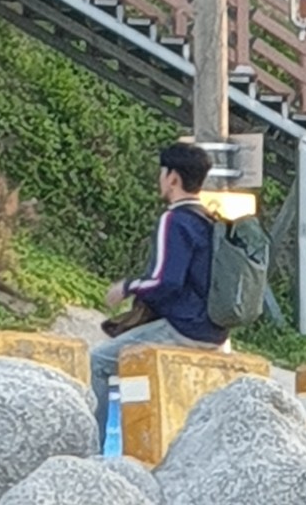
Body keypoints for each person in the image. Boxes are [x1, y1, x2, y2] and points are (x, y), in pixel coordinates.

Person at [90, 142, 229, 449]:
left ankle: (92, 449)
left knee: (98, 361)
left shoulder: (174, 219)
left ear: (173, 178)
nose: (160, 179)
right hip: (214, 331)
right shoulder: (208, 219)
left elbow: (165, 281)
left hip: (185, 329)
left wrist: (126, 287)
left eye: (162, 172)